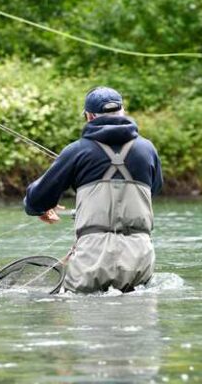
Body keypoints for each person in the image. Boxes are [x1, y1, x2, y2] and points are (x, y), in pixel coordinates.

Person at [24, 86, 162, 293]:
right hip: (139, 255)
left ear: (89, 116)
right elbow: (155, 189)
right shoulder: (147, 149)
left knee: (88, 316)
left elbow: (35, 200)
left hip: (92, 257)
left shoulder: (77, 150)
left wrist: (42, 208)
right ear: (123, 111)